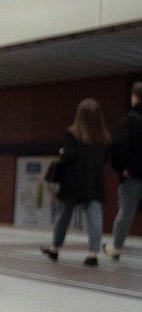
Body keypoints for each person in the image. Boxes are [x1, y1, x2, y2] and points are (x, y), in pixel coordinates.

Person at [42, 98, 110, 267]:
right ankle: (93, 253)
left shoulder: (72, 134)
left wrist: (62, 151)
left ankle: (55, 248)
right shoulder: (104, 137)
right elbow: (104, 160)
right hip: (93, 182)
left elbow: (68, 156)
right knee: (95, 217)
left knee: (63, 216)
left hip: (72, 181)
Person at [103, 82, 142, 260]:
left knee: (126, 212)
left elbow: (118, 146)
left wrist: (122, 168)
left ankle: (116, 248)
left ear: (134, 97)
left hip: (132, 175)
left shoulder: (129, 120)